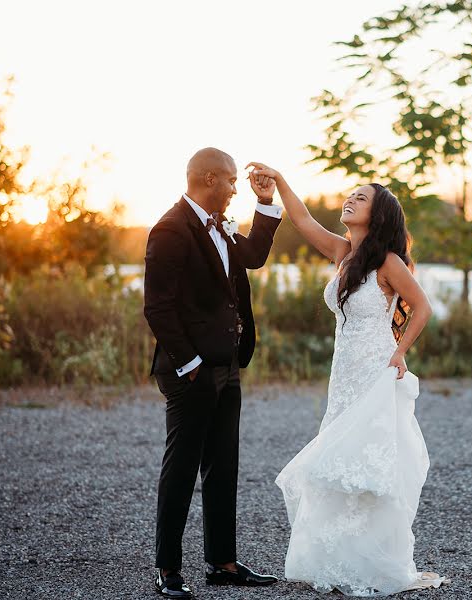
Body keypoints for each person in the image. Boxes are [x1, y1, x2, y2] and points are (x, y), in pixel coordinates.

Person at [247, 162, 449, 596]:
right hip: (344, 372)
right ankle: (339, 557)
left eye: (361, 198)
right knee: (340, 461)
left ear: (377, 216)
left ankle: (373, 560)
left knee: (365, 460)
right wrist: (279, 182)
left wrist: (399, 351)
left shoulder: (388, 262)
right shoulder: (344, 253)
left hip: (374, 369)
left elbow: (422, 307)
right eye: (351, 194)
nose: (350, 200)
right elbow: (300, 220)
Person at [143, 148, 282, 598]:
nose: (236, 188)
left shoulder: (222, 225)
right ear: (208, 178)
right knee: (181, 469)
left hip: (227, 365)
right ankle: (167, 569)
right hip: (191, 371)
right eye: (232, 181)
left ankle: (222, 563)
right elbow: (158, 308)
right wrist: (190, 364)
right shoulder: (170, 229)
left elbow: (254, 256)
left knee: (223, 467)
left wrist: (265, 202)